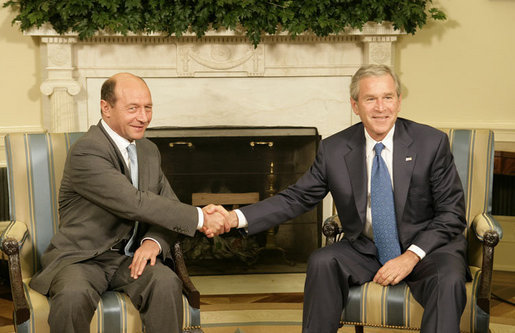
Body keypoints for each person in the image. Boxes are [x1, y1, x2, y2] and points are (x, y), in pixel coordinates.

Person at [224, 64, 470, 332]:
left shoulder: (430, 142)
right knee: (322, 260)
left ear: (399, 102)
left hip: (428, 249)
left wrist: (410, 256)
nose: (381, 108)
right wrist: (235, 217)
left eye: (388, 97)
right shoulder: (334, 149)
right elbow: (296, 197)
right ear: (355, 105)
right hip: (367, 248)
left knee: (448, 279)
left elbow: (452, 214)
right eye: (370, 99)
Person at [29, 73, 230, 333]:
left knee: (166, 281)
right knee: (72, 295)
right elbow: (134, 203)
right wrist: (201, 218)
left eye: (148, 108)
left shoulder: (148, 151)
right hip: (82, 259)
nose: (143, 117)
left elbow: (168, 206)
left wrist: (153, 242)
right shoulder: (86, 150)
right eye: (133, 108)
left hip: (131, 260)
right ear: (106, 108)